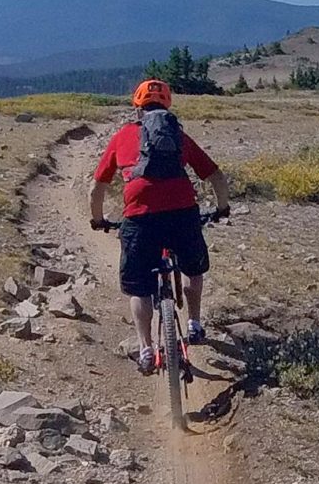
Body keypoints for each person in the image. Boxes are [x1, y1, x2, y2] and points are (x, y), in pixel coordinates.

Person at [88, 78, 230, 373]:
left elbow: (97, 186)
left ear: (137, 108)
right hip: (182, 213)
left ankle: (145, 349)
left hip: (140, 217)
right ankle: (194, 324)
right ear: (167, 106)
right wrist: (221, 208)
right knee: (193, 268)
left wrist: (98, 219)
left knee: (140, 289)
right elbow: (216, 176)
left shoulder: (123, 137)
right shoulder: (179, 136)